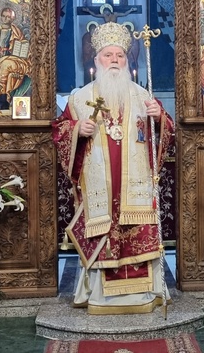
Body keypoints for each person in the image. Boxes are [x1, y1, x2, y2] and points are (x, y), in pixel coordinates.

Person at [52, 21, 174, 315]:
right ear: (96, 60)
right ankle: (99, 294)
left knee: (136, 227)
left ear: (128, 60)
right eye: (108, 55)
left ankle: (145, 292)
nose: (115, 61)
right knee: (103, 227)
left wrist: (159, 118)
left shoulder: (144, 97)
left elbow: (166, 134)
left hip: (136, 187)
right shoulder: (79, 99)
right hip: (100, 187)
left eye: (120, 55)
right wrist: (77, 129)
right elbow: (60, 132)